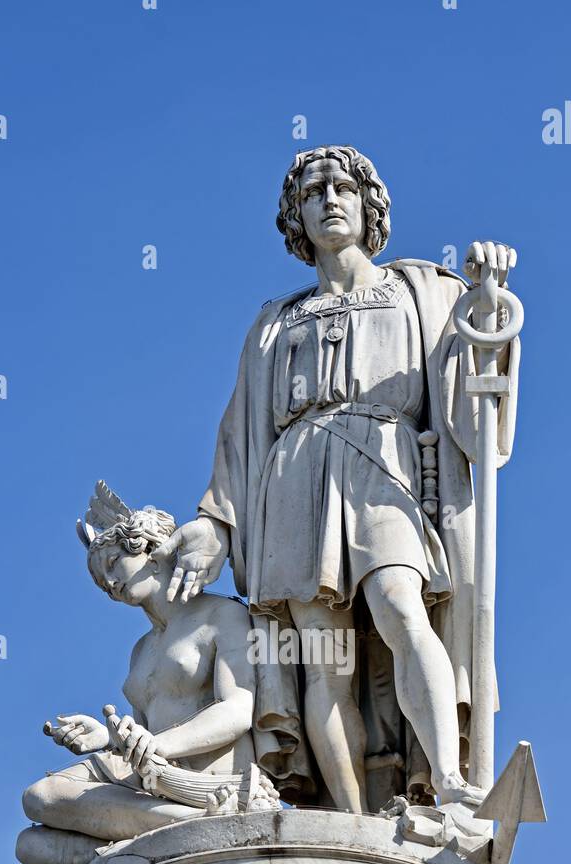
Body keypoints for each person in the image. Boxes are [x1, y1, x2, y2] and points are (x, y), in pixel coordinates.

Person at [158, 146, 519, 814]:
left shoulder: (423, 290)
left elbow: (473, 387)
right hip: (292, 474)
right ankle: (349, 822)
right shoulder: (274, 324)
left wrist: (489, 302)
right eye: (312, 191)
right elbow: (240, 435)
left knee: (402, 607)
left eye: (343, 187)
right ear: (296, 217)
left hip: (384, 459)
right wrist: (215, 523)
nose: (329, 199)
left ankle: (449, 781)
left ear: (368, 205)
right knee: (323, 660)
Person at [16, 486, 260, 864]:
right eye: (99, 578)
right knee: (31, 845)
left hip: (203, 776)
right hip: (148, 778)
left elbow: (237, 710)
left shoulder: (223, 615)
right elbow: (142, 732)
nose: (109, 582)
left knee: (40, 797)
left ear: (152, 549)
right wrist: (107, 738)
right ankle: (148, 850)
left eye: (114, 562)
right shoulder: (141, 650)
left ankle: (196, 823)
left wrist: (160, 747)